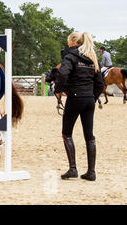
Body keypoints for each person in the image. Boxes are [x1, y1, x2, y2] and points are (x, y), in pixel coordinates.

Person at [54, 32, 104, 181]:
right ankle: (91, 172)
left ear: (71, 42)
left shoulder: (70, 57)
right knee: (89, 136)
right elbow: (100, 83)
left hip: (75, 98)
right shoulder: (92, 58)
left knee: (66, 133)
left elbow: (62, 75)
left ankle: (73, 169)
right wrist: (92, 97)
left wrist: (58, 90)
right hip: (89, 99)